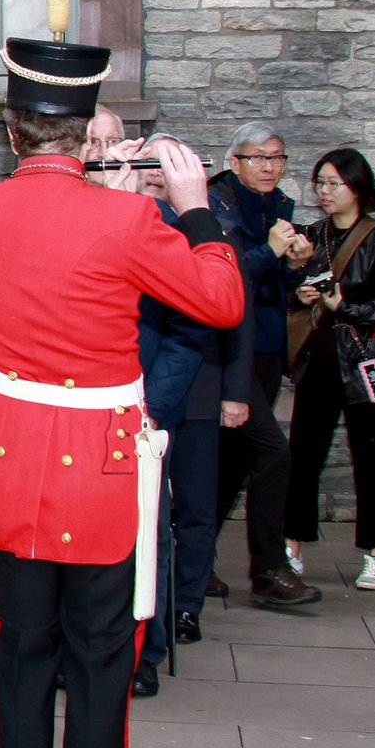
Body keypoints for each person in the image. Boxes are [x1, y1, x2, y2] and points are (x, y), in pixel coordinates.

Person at [0, 36, 244, 748]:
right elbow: (219, 300)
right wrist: (189, 207)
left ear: (11, 132)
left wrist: (96, 197)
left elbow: (37, 252)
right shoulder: (130, 218)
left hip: (10, 459)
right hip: (100, 470)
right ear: (85, 137)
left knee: (24, 655)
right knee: (102, 660)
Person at [123, 147, 248, 695]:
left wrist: (150, 407)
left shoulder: (179, 235)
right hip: (83, 407)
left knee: (150, 529)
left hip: (147, 408)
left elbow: (191, 330)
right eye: (96, 147)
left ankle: (145, 650)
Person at [283, 148, 375, 592]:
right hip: (319, 361)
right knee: (303, 455)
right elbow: (288, 295)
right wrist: (300, 291)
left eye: (334, 183)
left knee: (370, 457)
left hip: (364, 362)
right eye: (320, 182)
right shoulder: (309, 236)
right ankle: (291, 546)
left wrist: (345, 306)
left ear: (359, 187)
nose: (324, 191)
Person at [206, 123, 321, 606]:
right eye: (259, 158)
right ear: (235, 162)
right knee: (274, 453)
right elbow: (223, 277)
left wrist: (296, 267)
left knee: (234, 460)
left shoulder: (279, 207)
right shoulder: (216, 205)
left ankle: (189, 557)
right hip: (230, 352)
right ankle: (270, 571)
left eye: (277, 158)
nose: (270, 167)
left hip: (269, 345)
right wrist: (270, 250)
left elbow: (273, 285)